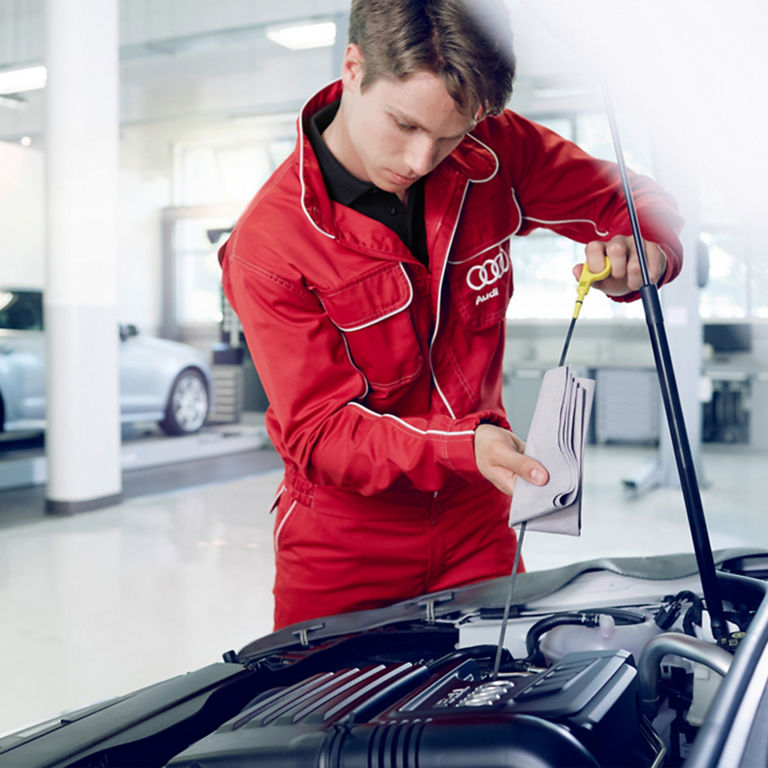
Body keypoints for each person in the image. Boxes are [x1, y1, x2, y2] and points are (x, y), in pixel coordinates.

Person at [219, 0, 683, 630]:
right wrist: (464, 446)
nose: (420, 161)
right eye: (404, 125)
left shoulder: (494, 150)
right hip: (347, 542)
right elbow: (319, 432)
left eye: (449, 135)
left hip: (479, 519)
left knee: (493, 704)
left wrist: (647, 253)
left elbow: (635, 201)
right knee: (330, 721)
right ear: (353, 68)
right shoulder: (271, 245)